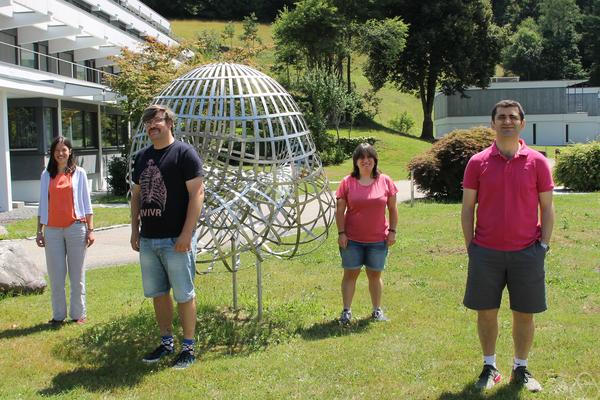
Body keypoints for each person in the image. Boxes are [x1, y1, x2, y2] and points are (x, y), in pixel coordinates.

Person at [461, 100, 554, 392]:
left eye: (513, 117)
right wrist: (471, 247)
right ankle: (490, 367)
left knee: (524, 314)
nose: (507, 121)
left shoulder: (538, 162)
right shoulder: (477, 162)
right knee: (486, 312)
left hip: (527, 252)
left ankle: (520, 369)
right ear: (493, 123)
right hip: (485, 252)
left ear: (522, 123)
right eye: (501, 117)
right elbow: (467, 208)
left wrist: (544, 246)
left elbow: (547, 208)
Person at [131, 104, 205, 370]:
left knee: (184, 294)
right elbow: (136, 195)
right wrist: (134, 229)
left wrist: (187, 233)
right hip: (149, 239)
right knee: (158, 293)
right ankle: (166, 343)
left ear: (169, 122)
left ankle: (188, 347)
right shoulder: (141, 157)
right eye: (147, 122)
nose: (152, 125)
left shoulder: (184, 153)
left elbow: (197, 194)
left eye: (157, 120)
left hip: (177, 239)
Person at [335, 143, 398, 324]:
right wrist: (341, 233)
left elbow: (393, 209)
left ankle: (376, 310)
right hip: (352, 240)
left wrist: (392, 231)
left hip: (378, 239)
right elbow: (340, 211)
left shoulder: (385, 181)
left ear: (375, 160)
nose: (365, 161)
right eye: (361, 158)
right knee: (350, 275)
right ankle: (346, 311)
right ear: (355, 161)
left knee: (375, 275)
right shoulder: (347, 182)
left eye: (369, 157)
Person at [36, 136, 94, 325]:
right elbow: (42, 205)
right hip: (52, 231)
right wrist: (39, 231)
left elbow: (87, 204)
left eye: (64, 149)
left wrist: (91, 229)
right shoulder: (46, 175)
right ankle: (58, 316)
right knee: (56, 275)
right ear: (53, 154)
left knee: (77, 275)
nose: (61, 153)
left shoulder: (80, 173)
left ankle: (78, 314)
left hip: (76, 228)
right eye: (57, 150)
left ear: (70, 152)